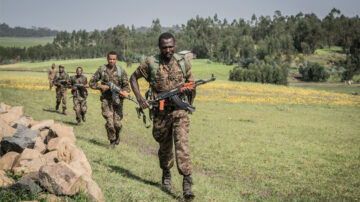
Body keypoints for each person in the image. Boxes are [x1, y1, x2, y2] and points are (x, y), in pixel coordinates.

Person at [130, 32, 196, 200]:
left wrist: (189, 96)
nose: (168, 49)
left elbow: (192, 85)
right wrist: (140, 99)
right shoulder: (151, 63)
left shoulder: (183, 62)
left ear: (175, 45)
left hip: (179, 112)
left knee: (182, 145)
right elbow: (133, 78)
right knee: (164, 147)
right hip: (160, 113)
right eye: (165, 47)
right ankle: (166, 173)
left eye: (171, 46)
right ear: (159, 47)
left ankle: (187, 183)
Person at [89, 51, 130, 149]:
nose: (111, 61)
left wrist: (124, 93)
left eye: (113, 59)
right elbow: (91, 83)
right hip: (106, 100)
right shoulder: (102, 70)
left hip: (117, 101)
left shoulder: (121, 71)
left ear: (116, 59)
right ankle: (112, 141)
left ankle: (117, 134)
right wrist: (100, 86)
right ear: (107, 59)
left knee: (117, 124)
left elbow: (126, 86)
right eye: (110, 59)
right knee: (110, 123)